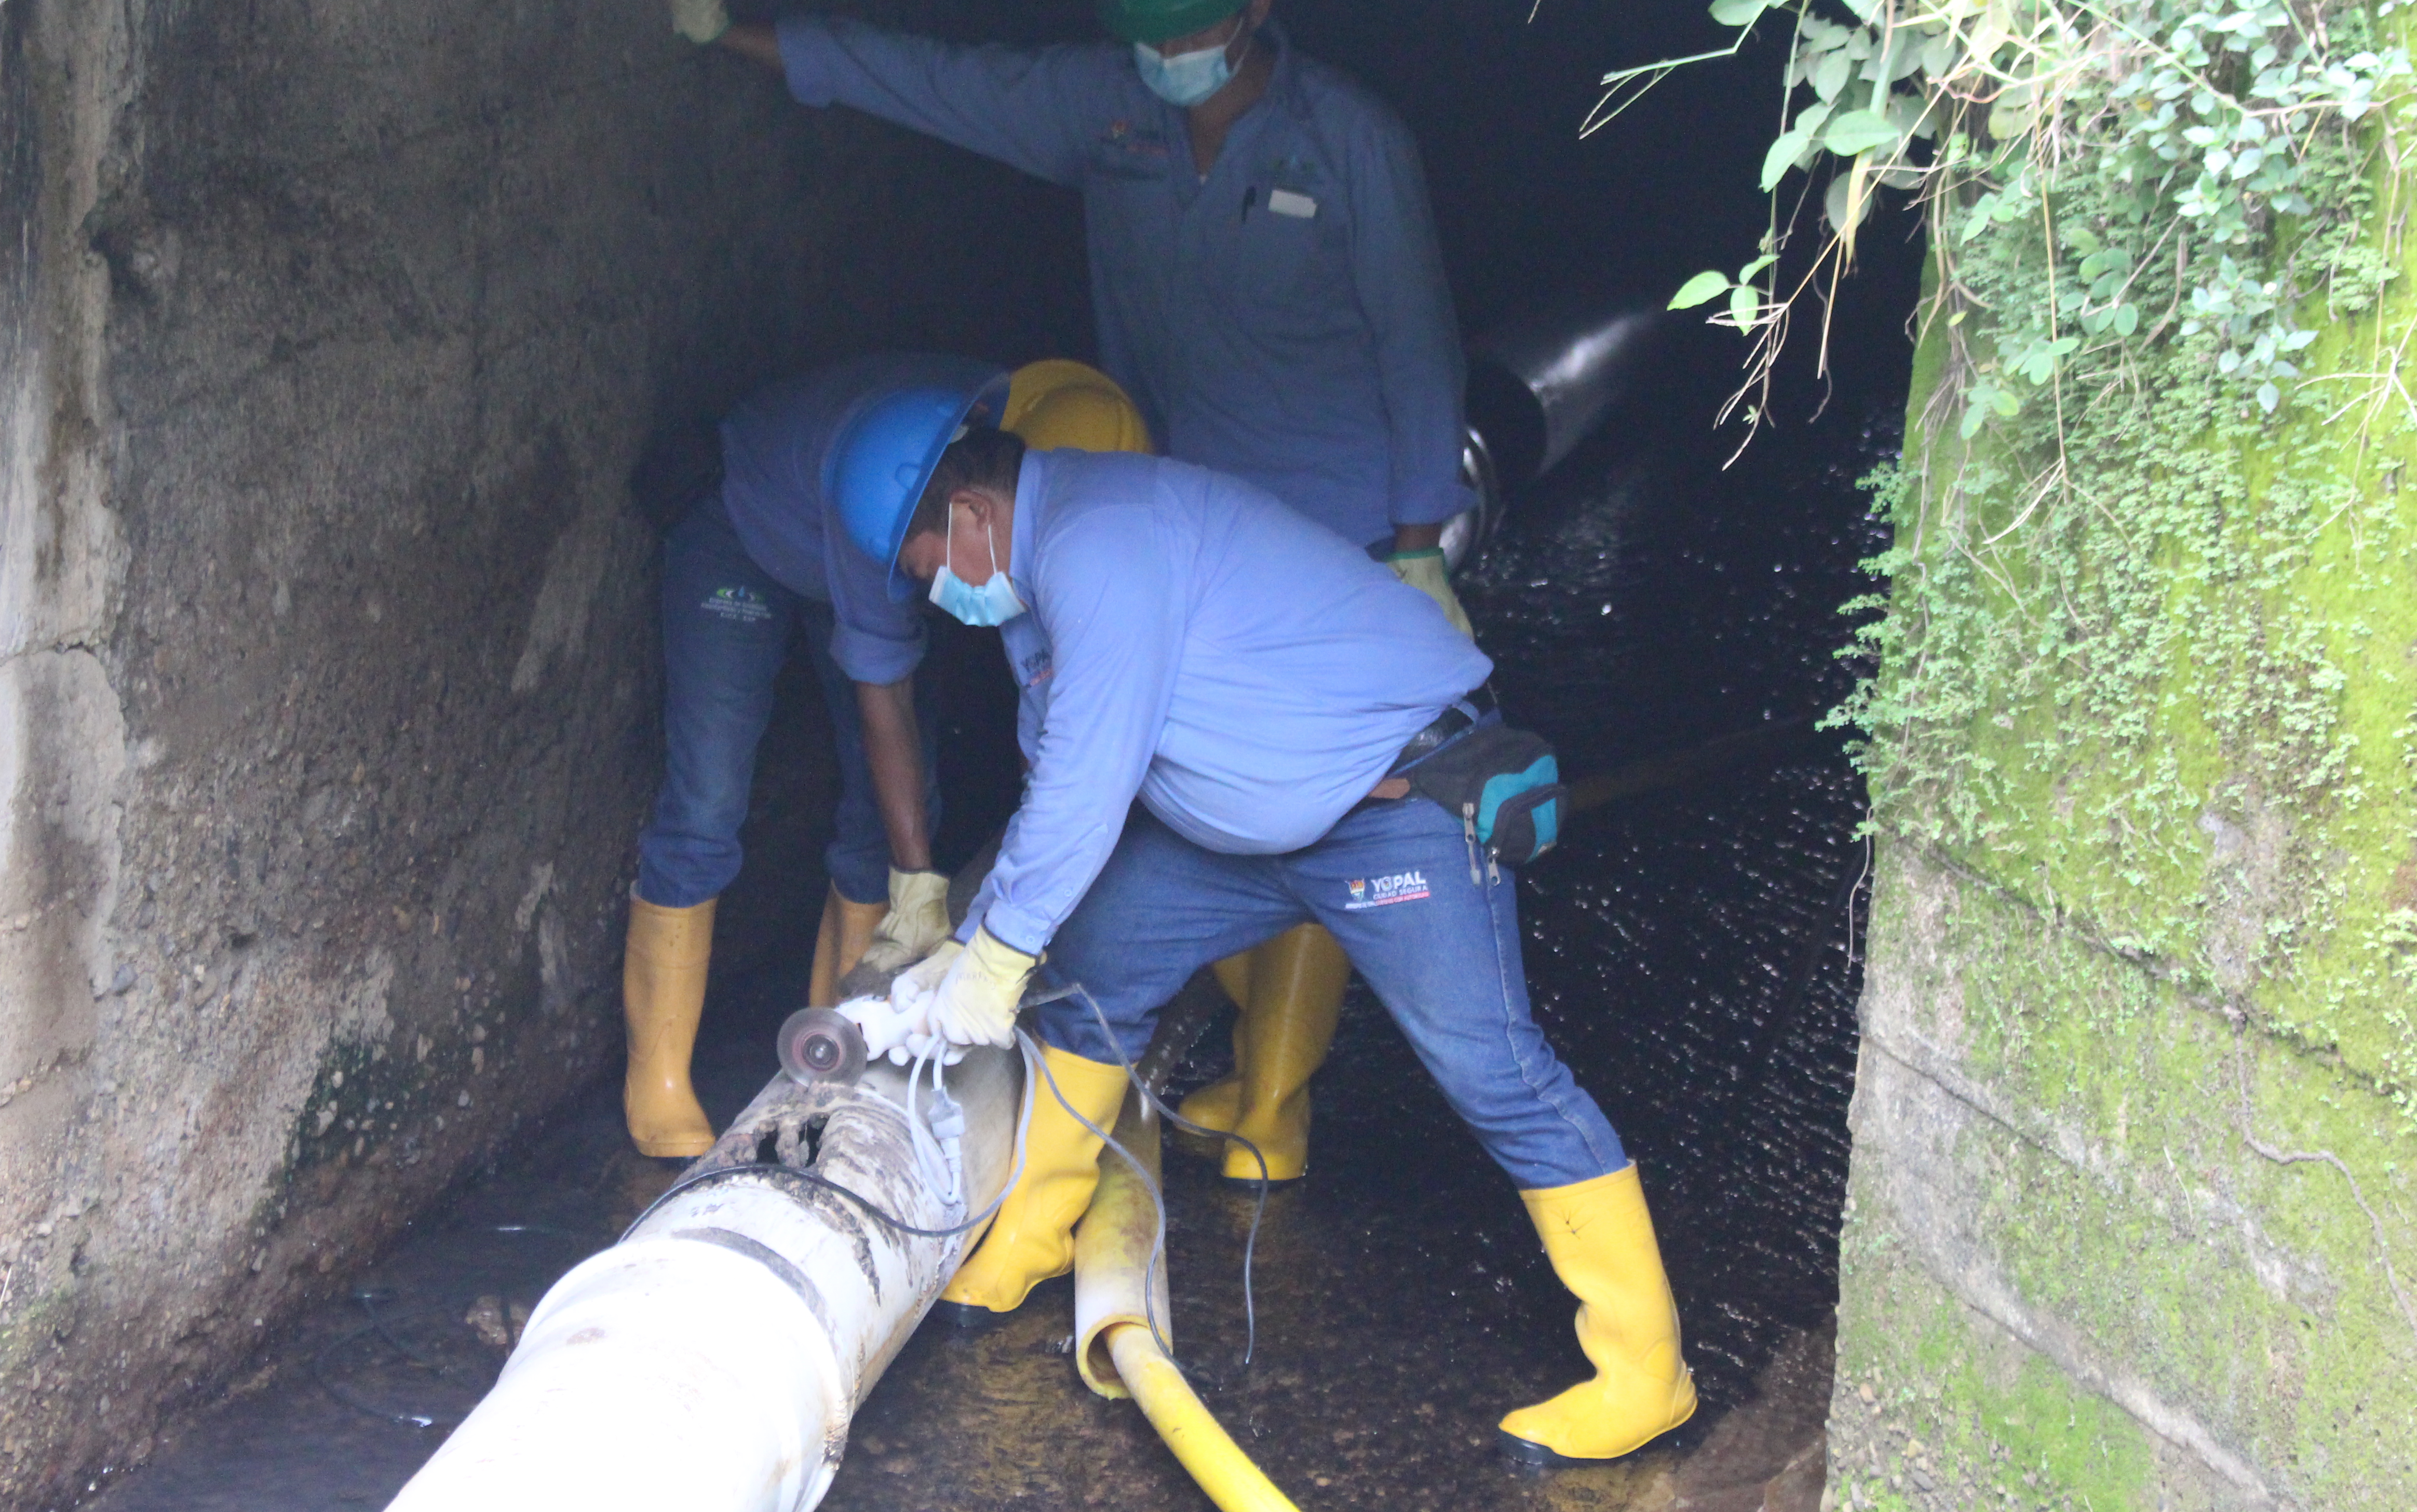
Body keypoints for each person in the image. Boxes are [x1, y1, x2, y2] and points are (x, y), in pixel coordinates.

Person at [668, 0, 1477, 1183]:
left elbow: (1420, 339)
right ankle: (1163, 1069)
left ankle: (1276, 1095)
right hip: (1177, 511)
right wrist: (734, 34)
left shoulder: (1353, 138)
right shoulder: (1105, 107)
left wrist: (1418, 538)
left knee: (1328, 793)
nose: (1166, 59)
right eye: (1147, 32)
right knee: (1181, 795)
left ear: (1255, 11)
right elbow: (933, 78)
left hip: (1334, 529)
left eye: (1187, 28)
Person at [830, 390, 1697, 1466]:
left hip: (1398, 803)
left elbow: (1087, 783)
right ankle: (1035, 1234)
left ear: (967, 512)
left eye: (923, 567)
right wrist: (990, 937)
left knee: (1498, 1073)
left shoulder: (1101, 544)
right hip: (1251, 830)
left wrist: (993, 951)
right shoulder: (1040, 580)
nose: (932, 591)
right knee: (1093, 960)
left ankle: (1645, 1367)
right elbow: (1056, 773)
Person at [619, 355, 1130, 1158]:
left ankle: (834, 1051)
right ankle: (659, 1082)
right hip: (744, 533)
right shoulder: (885, 508)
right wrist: (917, 882)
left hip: (857, 540)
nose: (937, 584)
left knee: (884, 812)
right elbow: (881, 702)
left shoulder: (950, 485)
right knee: (710, 795)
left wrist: (913, 870)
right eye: (926, 568)